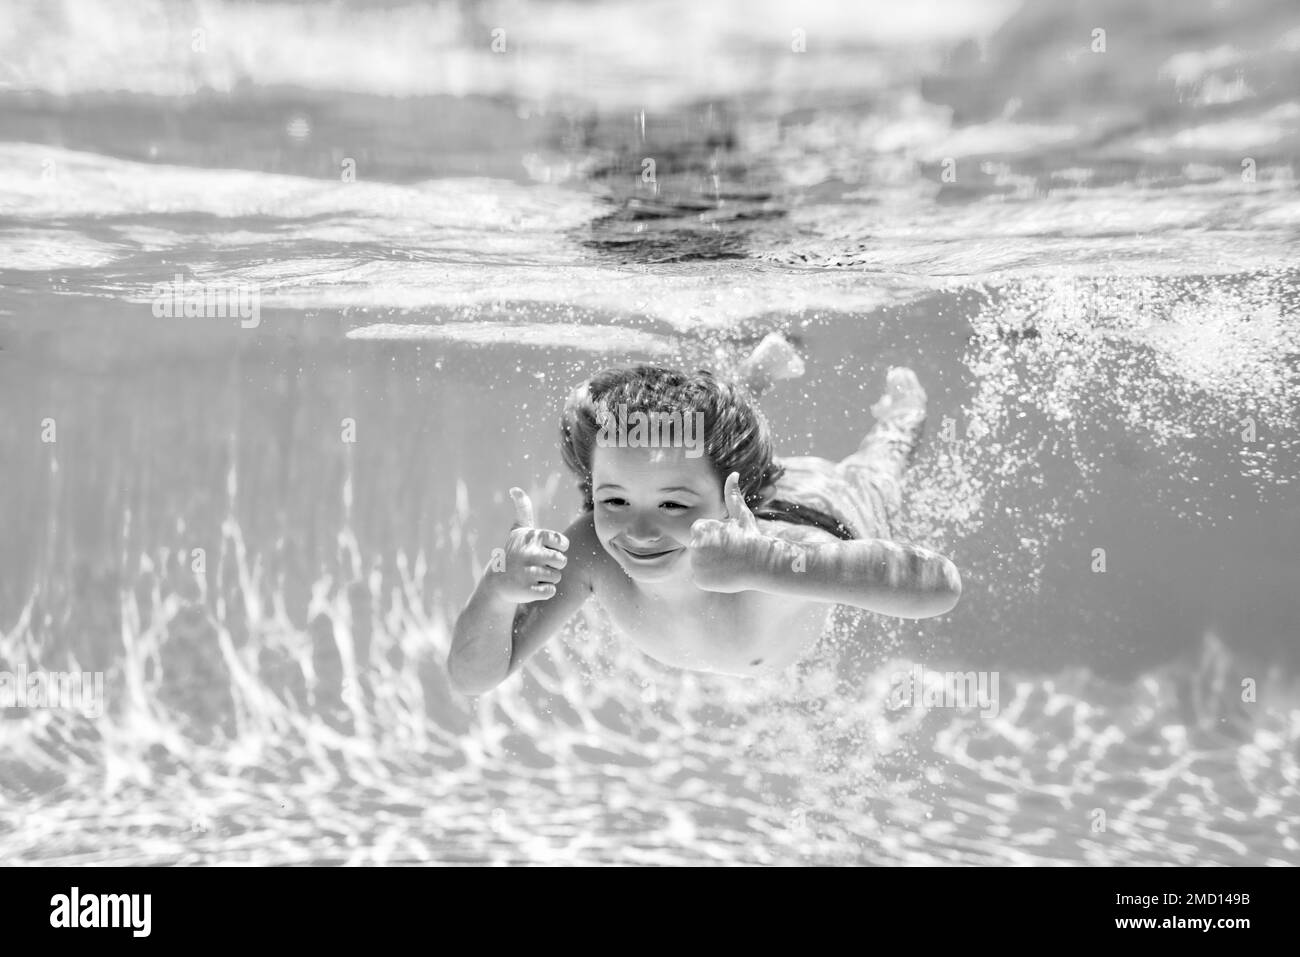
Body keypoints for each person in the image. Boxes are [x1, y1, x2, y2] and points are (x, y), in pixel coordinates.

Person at [447, 334, 961, 694]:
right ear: (591, 490)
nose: (639, 530)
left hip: (819, 510)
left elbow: (939, 586)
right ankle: (748, 387)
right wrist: (497, 591)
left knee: (878, 474)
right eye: (615, 500)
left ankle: (899, 422)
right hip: (725, 489)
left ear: (733, 500)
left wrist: (768, 566)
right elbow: (474, 677)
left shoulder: (784, 564)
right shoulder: (589, 553)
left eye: (672, 504)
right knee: (704, 451)